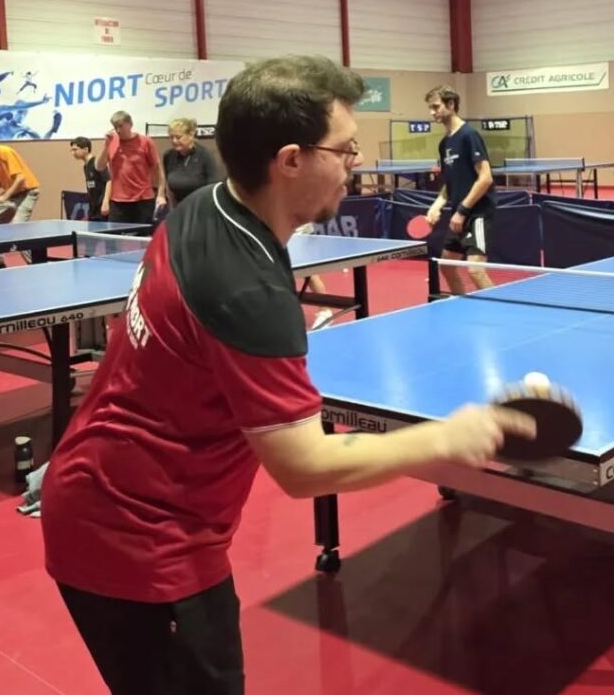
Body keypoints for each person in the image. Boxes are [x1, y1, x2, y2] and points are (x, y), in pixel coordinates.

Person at [40, 55, 532, 695]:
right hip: (139, 541)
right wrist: (450, 437)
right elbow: (304, 466)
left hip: (99, 493)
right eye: (345, 149)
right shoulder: (245, 288)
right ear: (291, 160)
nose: (356, 163)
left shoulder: (204, 207)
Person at [423, 84, 496, 292]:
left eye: (436, 107)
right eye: (430, 108)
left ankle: (499, 310)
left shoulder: (469, 135)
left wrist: (462, 211)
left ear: (451, 104)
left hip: (478, 213)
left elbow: (485, 178)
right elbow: (450, 183)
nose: (432, 112)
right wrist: (436, 206)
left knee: (475, 270)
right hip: (459, 214)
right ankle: (461, 304)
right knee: (446, 266)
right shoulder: (444, 143)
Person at [0, 128, 41, 267]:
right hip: (13, 195)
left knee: (18, 229)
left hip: (28, 193)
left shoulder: (5, 152)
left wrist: (4, 197)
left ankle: (36, 265)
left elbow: (20, 178)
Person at [95, 110, 164, 224]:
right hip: (118, 201)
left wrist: (161, 194)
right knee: (114, 234)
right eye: (115, 127)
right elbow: (99, 167)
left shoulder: (145, 141)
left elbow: (158, 169)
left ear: (130, 124)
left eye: (121, 126)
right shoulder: (111, 142)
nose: (118, 130)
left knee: (143, 234)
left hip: (143, 199)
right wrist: (106, 145)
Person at [163, 117, 220, 209]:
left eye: (178, 137)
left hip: (201, 207)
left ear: (191, 135)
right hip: (178, 207)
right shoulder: (169, 156)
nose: (174, 141)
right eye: (171, 137)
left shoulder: (205, 155)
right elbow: (167, 184)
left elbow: (212, 188)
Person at [69, 136, 109, 221]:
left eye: (75, 150)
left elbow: (109, 180)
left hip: (102, 209)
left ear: (86, 149)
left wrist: (106, 202)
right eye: (71, 150)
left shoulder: (97, 162)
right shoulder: (86, 166)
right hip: (93, 210)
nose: (72, 153)